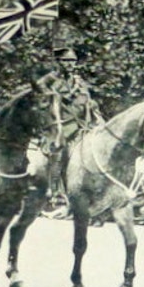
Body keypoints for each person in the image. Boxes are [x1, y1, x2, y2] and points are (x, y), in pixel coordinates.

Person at [37, 47, 103, 203]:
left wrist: (85, 100)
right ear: (58, 62)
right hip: (57, 123)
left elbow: (87, 101)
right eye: (66, 61)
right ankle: (54, 191)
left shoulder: (78, 81)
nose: (70, 64)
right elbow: (42, 96)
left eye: (73, 61)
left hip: (79, 123)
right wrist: (60, 94)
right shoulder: (49, 79)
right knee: (59, 152)